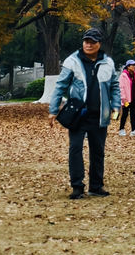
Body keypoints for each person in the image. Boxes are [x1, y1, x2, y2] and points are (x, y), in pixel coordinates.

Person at [48, 28, 120, 199]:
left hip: (99, 115)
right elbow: (60, 86)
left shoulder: (108, 62)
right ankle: (77, 186)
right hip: (78, 115)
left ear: (99, 44)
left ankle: (96, 186)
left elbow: (115, 86)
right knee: (75, 149)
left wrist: (116, 105)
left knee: (98, 151)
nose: (88, 44)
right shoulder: (72, 61)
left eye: (92, 42)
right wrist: (53, 110)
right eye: (86, 41)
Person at [119, 59, 135, 136]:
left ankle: (133, 130)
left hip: (134, 98)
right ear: (128, 66)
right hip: (126, 100)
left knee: (133, 115)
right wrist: (123, 98)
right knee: (125, 114)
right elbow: (121, 88)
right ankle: (121, 129)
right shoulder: (123, 75)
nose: (134, 66)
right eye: (132, 65)